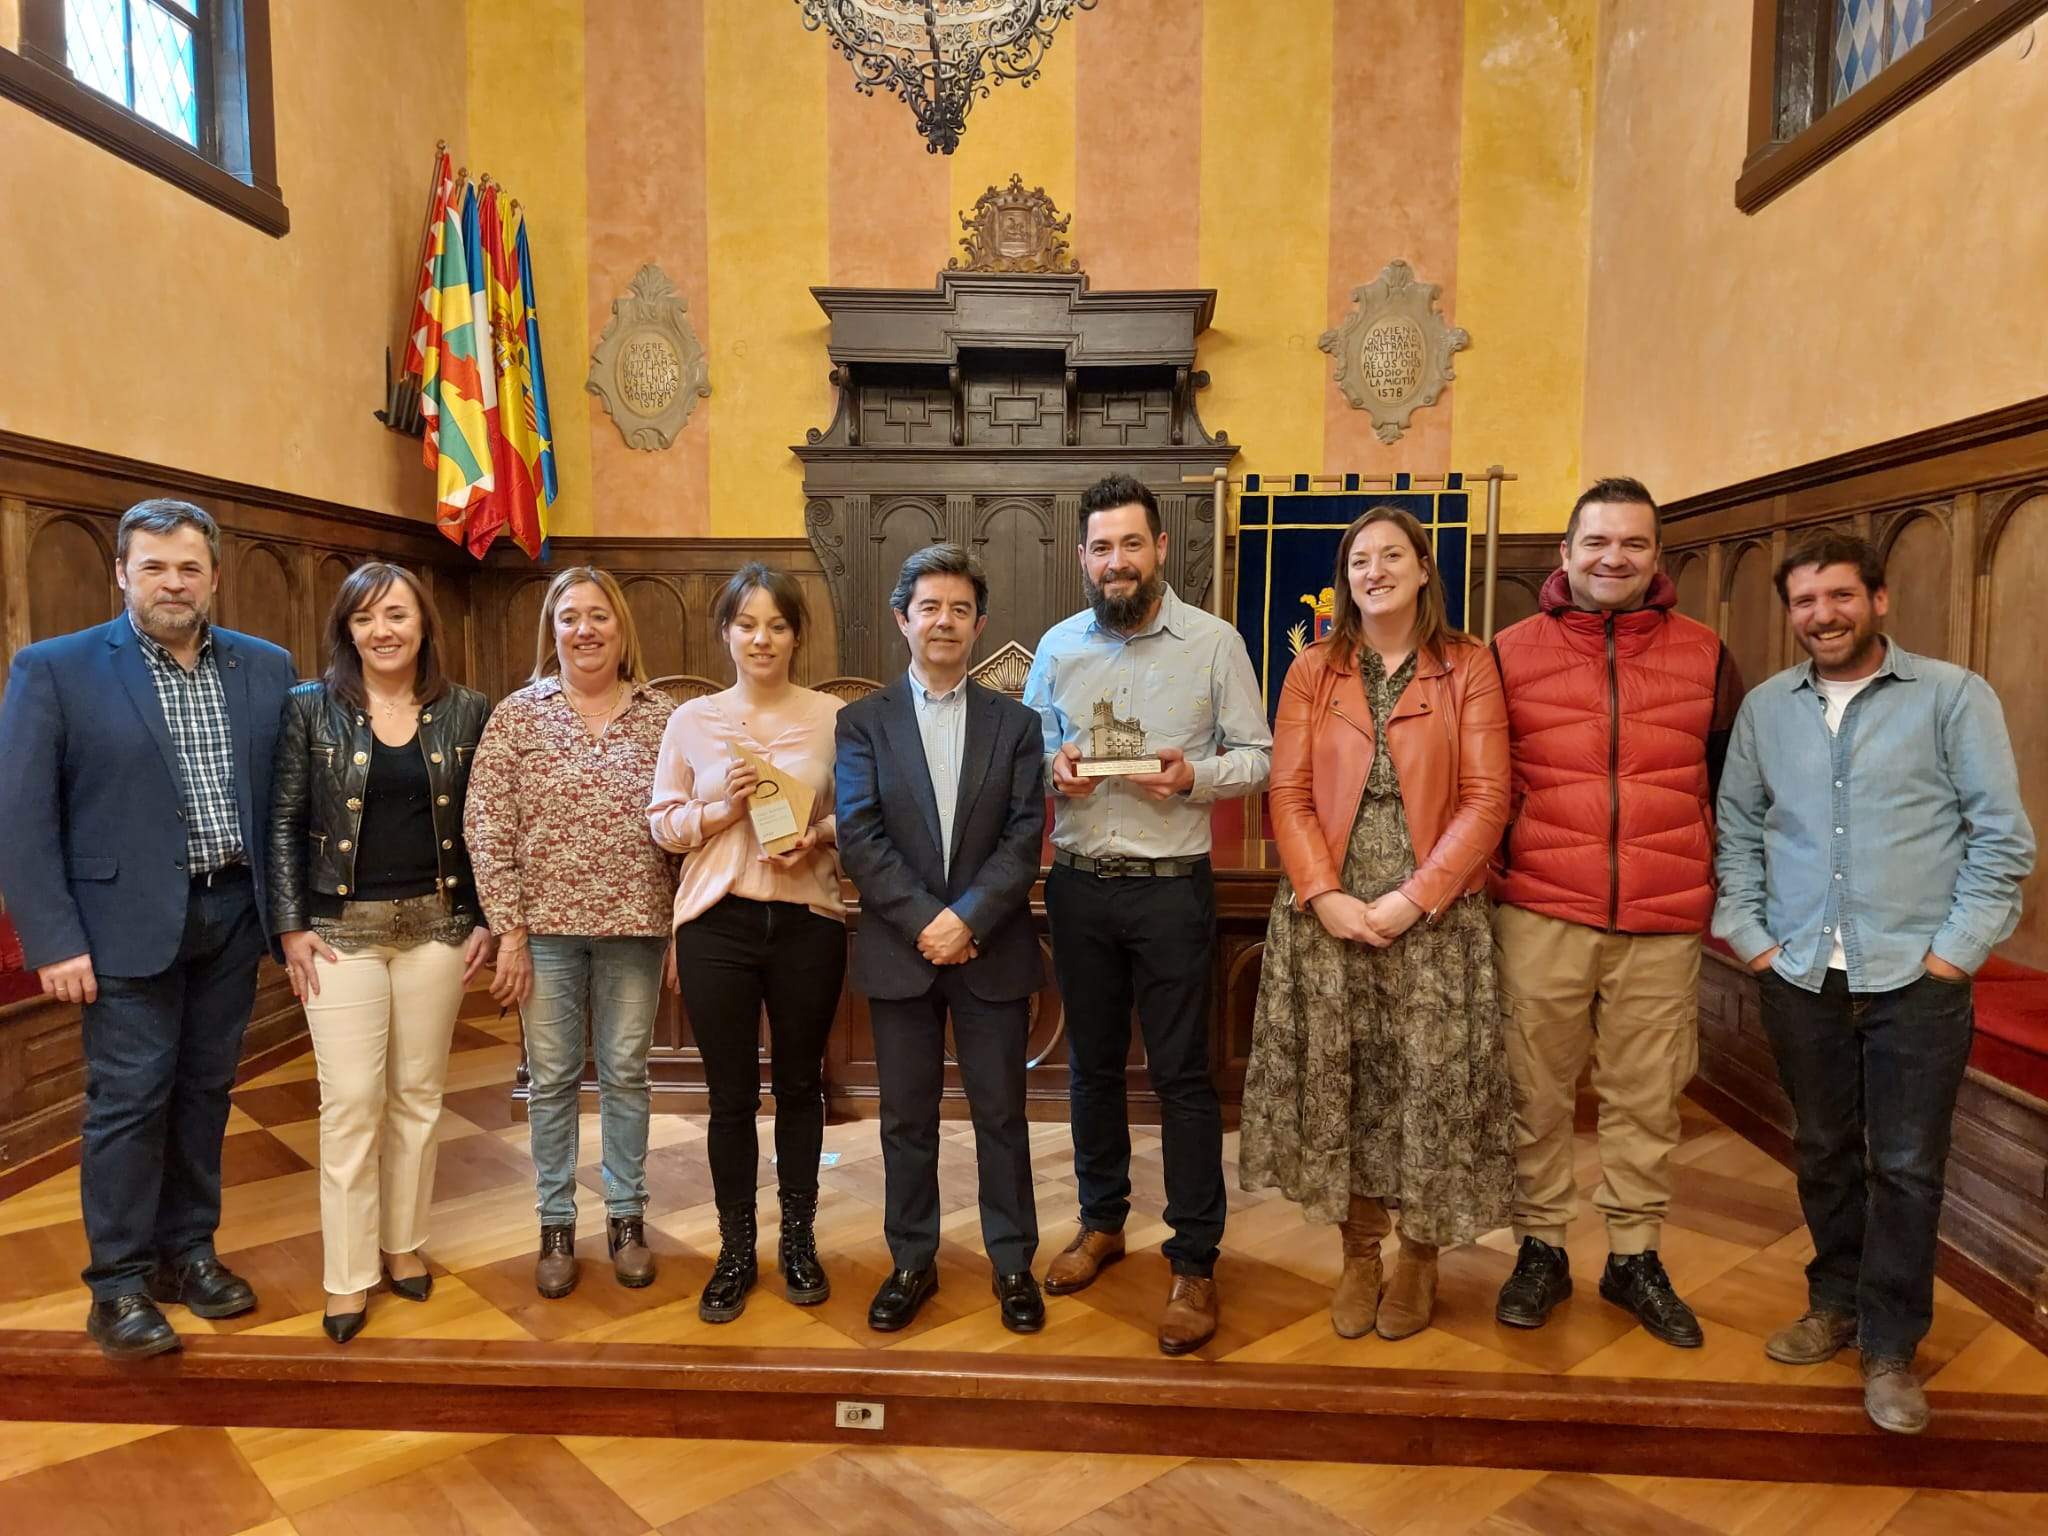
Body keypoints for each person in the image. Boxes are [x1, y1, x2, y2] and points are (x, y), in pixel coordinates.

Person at [1714, 532, 2033, 1435]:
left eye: (1840, 597)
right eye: (1806, 602)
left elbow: (2001, 841)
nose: (1823, 615)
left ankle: (1892, 1345)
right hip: (1800, 971)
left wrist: (1951, 956)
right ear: (1791, 614)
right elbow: (1736, 830)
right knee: (1820, 1148)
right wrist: (1753, 941)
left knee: (1905, 1166)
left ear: (1879, 600)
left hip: (1916, 980)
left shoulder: (1952, 698)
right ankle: (1837, 1301)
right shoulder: (1769, 710)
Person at [0, 499, 295, 1359]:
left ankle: (189, 1255)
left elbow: (283, 801)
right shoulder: (54, 670)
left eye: (190, 567)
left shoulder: (264, 667)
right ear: (121, 573)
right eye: (155, 566)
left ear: (212, 575)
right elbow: (23, 819)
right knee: (129, 1103)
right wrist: (51, 942)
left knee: (206, 1094)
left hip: (233, 915)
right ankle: (118, 1286)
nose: (175, 582)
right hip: (116, 928)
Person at [1239, 507, 1514, 1341]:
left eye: (1393, 555)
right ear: (1344, 576)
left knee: (1429, 1086)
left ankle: (1421, 1260)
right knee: (1341, 1085)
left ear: (1425, 569)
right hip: (1329, 912)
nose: (1376, 570)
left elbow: (1488, 798)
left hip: (1434, 913)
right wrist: (1324, 893)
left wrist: (1414, 897)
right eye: (1361, 559)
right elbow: (1285, 793)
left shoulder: (1467, 664)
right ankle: (1360, 1254)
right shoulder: (1313, 670)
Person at [1489, 477, 1743, 1349]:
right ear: (1564, 553)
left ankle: (1634, 1254)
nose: (1614, 558)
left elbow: (1730, 787)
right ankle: (1541, 1245)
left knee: (1648, 1096)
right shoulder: (1508, 652)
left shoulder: (1706, 654)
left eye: (1633, 544)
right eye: (1597, 542)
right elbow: (1484, 784)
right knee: (1535, 1091)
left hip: (1663, 916)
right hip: (1542, 910)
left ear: (1657, 557)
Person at [1022, 472, 1272, 1356]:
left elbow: (1259, 758)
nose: (1116, 561)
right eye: (1101, 547)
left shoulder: (1214, 644)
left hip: (1172, 889)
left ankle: (1195, 1259)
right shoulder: (1056, 648)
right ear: (1084, 558)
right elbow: (1032, 748)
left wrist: (1191, 776)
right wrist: (1048, 767)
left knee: (1181, 1078)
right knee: (1090, 1069)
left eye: (1132, 543)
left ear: (1161, 548)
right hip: (1082, 884)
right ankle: (1101, 1221)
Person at [268, 563, 493, 1343]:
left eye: (396, 614)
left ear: (424, 623)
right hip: (339, 935)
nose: (383, 631)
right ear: (346, 630)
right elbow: (286, 821)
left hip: (435, 926)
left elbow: (485, 826)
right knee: (352, 1104)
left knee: (419, 1097)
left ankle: (402, 1244)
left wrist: (482, 918)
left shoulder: (466, 711)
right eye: (365, 618)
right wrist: (291, 926)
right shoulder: (309, 707)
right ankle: (346, 1275)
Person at [836, 545, 1049, 1334]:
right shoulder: (862, 722)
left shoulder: (1017, 724)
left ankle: (1013, 1263)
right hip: (903, 949)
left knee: (1002, 1115)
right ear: (903, 619)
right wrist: (929, 920)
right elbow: (859, 836)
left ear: (980, 624)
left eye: (960, 609)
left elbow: (1025, 839)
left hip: (990, 948)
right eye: (930, 607)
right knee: (906, 1118)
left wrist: (967, 919)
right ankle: (911, 1261)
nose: (945, 621)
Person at [466, 566, 678, 1299]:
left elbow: (687, 826)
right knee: (551, 1081)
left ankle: (626, 1220)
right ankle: (556, 1224)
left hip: (638, 927)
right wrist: (509, 932)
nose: (584, 630)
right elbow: (487, 826)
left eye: (599, 617)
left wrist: (681, 926)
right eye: (569, 618)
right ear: (550, 632)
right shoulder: (517, 716)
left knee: (626, 1076)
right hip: (544, 934)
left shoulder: (662, 715)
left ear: (623, 630)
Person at [650, 563, 846, 1324]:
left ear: (797, 634)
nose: (762, 638)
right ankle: (736, 1250)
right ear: (726, 632)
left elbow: (861, 817)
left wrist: (818, 836)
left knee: (801, 1088)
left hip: (806, 921)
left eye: (777, 624)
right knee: (729, 1098)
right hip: (717, 924)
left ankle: (798, 1240)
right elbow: (661, 822)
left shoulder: (835, 717)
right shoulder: (690, 720)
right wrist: (714, 809)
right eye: (747, 624)